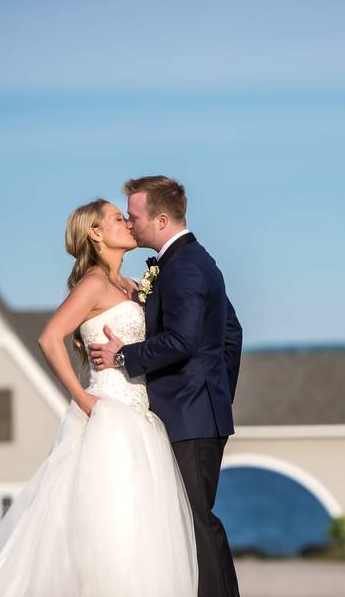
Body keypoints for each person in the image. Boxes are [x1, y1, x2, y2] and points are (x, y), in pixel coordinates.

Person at [0, 198, 197, 597]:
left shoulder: (134, 287)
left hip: (143, 419)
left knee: (142, 532)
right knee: (111, 530)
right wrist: (82, 398)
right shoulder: (95, 283)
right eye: (119, 218)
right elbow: (50, 338)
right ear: (95, 233)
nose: (129, 223)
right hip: (110, 418)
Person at [88, 175, 243, 597]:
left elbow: (183, 341)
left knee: (195, 522)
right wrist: (216, 390)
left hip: (190, 417)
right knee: (191, 521)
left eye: (134, 217)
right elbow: (231, 333)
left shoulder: (187, 266)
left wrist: (125, 356)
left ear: (160, 219)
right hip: (195, 412)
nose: (131, 225)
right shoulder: (185, 263)